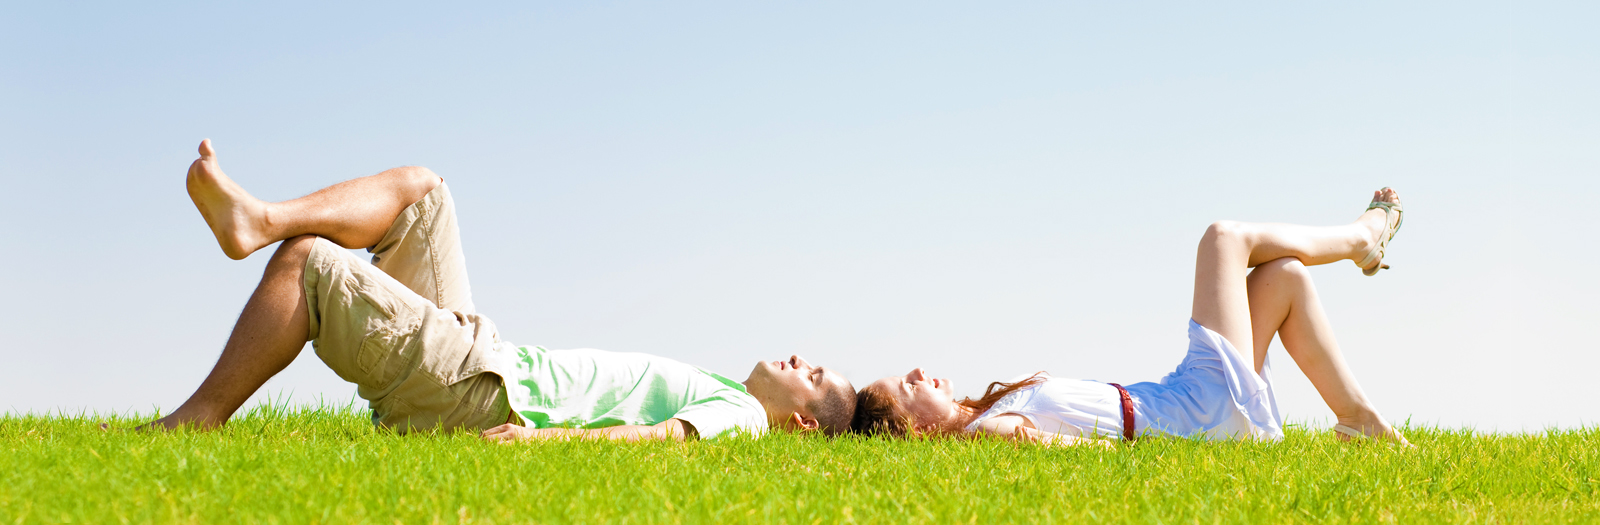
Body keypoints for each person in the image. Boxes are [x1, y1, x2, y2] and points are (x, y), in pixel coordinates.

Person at [142, 140, 855, 441]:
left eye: (814, 375)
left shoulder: (745, 417)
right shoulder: (727, 389)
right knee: (422, 191)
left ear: (801, 421)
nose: (801, 359)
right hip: (492, 358)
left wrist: (541, 445)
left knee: (309, 263)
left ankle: (196, 419)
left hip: (486, 391)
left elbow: (662, 440)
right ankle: (259, 219)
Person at [852, 188, 1411, 447]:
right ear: (915, 428)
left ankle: (1360, 421)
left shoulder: (990, 411)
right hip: (1193, 415)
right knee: (1223, 238)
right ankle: (1360, 239)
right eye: (908, 387)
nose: (918, 372)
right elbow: (1083, 453)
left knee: (1282, 276)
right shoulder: (988, 433)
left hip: (1180, 399)